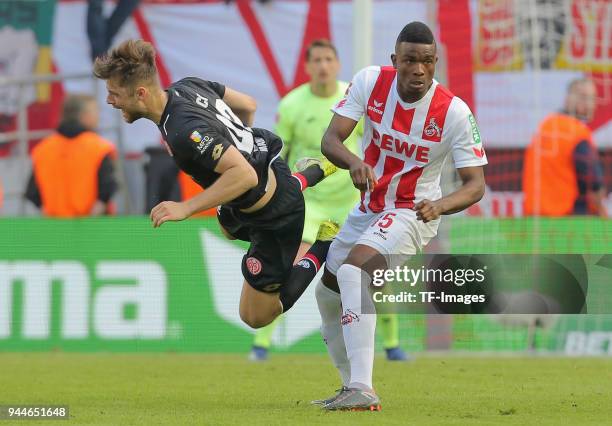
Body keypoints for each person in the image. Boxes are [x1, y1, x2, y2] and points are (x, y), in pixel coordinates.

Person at [93, 39, 339, 329]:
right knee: (226, 228)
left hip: (275, 217)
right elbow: (249, 104)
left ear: (141, 93)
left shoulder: (184, 132)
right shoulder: (188, 85)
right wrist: (242, 147)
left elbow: (244, 175)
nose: (110, 101)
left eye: (114, 94)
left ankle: (325, 243)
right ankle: (313, 172)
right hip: (271, 173)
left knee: (255, 316)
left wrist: (186, 208)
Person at [313, 22, 487, 411]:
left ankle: (364, 387)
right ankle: (349, 387)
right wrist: (355, 163)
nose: (419, 70)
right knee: (326, 294)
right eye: (410, 60)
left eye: (427, 61)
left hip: (413, 213)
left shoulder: (454, 112)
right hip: (369, 206)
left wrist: (439, 205)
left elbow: (475, 184)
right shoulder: (370, 82)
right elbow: (330, 140)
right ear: (396, 60)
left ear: (435, 62)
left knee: (353, 273)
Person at [249, 39, 409, 362]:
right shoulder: (293, 104)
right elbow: (280, 154)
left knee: (375, 272)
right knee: (286, 264)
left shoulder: (352, 96)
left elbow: (373, 144)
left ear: (337, 64)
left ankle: (392, 344)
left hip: (351, 199)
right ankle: (261, 344)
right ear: (308, 67)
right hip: (310, 202)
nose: (322, 65)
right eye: (316, 60)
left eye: (328, 59)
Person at [523, 78, 607, 216]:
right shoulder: (577, 133)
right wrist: (602, 212)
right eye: (585, 98)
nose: (591, 104)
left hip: (535, 218)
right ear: (570, 99)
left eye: (592, 98)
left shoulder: (545, 126)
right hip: (566, 220)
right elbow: (594, 182)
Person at [26, 94, 118, 217]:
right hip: (93, 227)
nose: (98, 117)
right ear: (84, 116)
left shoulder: (43, 150)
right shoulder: (99, 148)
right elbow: (107, 189)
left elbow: (33, 193)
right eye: (95, 111)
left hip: (55, 227)